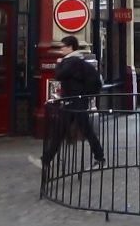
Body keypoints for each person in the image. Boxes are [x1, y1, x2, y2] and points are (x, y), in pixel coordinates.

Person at [40, 35, 105, 171]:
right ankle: (47, 159)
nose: (61, 49)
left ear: (70, 47)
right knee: (75, 130)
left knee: (67, 130)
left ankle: (47, 159)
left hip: (74, 102)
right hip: (76, 101)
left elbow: (59, 75)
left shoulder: (71, 61)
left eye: (63, 46)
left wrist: (59, 63)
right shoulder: (77, 60)